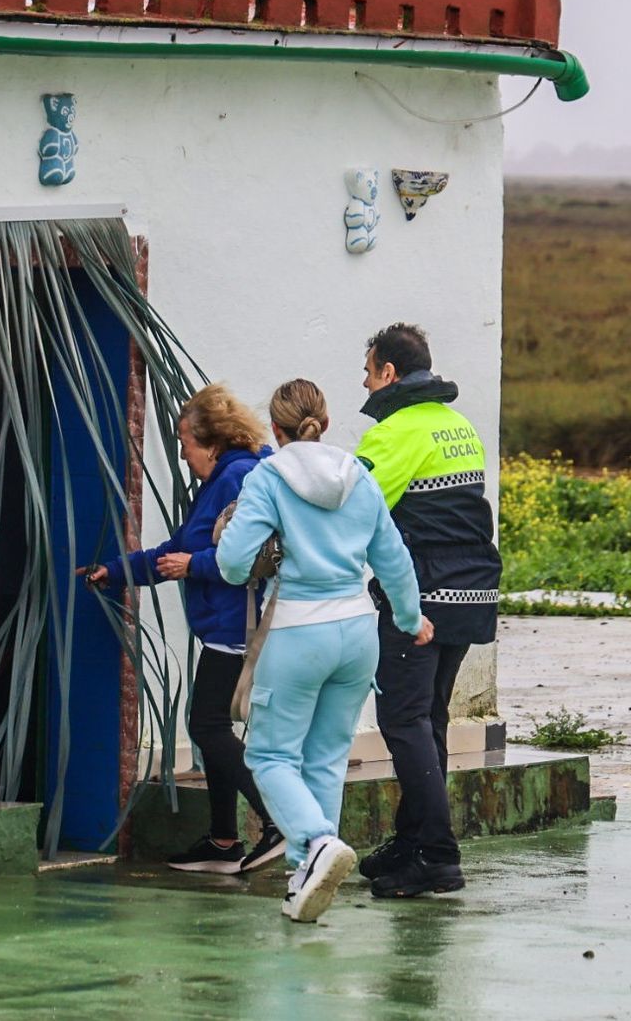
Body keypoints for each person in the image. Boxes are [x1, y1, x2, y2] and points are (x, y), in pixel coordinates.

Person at [216, 379, 432, 923]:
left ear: (277, 429)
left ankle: (315, 842)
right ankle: (304, 877)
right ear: (326, 423)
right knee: (327, 758)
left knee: (269, 756)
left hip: (297, 631)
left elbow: (233, 564)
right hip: (358, 632)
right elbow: (394, 558)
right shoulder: (358, 475)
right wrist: (411, 619)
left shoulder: (268, 477)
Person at [76, 384, 284, 875]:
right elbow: (180, 548)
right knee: (212, 727)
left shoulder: (238, 478)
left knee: (208, 725)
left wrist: (194, 565)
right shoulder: (219, 480)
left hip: (237, 624)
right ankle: (223, 840)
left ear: (211, 441)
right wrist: (118, 571)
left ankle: (277, 822)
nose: (183, 455)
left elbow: (250, 555)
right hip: (223, 624)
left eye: (185, 443)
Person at [353, 323, 502, 898]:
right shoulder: (457, 425)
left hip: (421, 596)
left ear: (389, 372)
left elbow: (354, 510)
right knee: (428, 720)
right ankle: (412, 840)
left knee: (402, 720)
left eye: (369, 372)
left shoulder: (393, 433)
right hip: (471, 590)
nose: (365, 383)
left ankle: (437, 857)